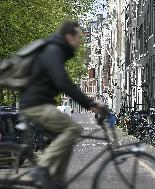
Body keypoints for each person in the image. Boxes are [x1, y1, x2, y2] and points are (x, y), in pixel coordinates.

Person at [19, 21, 105, 187]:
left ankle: (56, 182)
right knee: (72, 129)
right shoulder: (53, 50)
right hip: (36, 104)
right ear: (69, 36)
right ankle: (41, 169)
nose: (80, 41)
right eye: (78, 37)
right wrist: (89, 103)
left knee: (64, 140)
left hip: (40, 102)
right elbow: (63, 82)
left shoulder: (57, 50)